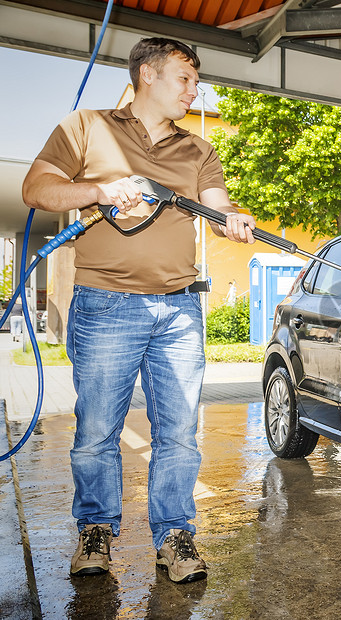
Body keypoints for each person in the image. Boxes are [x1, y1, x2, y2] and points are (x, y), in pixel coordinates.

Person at [21, 37, 256, 584]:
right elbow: (37, 189)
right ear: (148, 74)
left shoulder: (197, 150)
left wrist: (235, 219)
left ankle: (175, 536)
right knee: (97, 429)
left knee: (178, 432)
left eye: (196, 82)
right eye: (185, 79)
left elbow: (218, 208)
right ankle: (96, 532)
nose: (195, 91)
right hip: (107, 306)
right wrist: (100, 189)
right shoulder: (86, 126)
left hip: (179, 310)